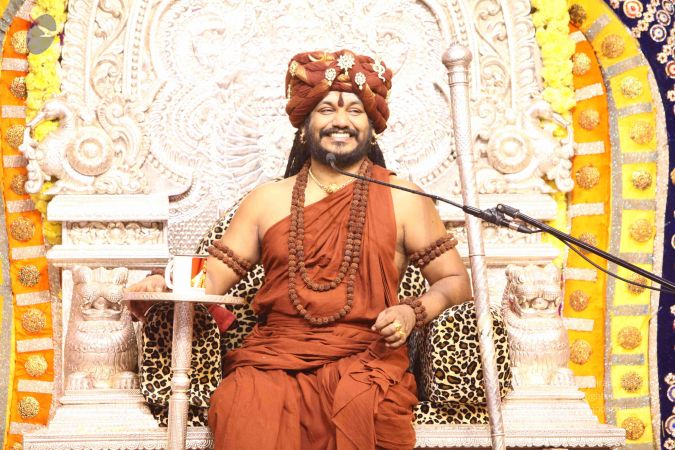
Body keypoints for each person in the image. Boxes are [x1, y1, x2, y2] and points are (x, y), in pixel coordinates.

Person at [131, 49, 471, 450]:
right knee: (243, 404)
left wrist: (413, 312)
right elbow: (215, 276)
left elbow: (455, 281)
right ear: (305, 125)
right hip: (272, 360)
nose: (341, 121)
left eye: (355, 110)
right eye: (326, 109)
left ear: (371, 126)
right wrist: (165, 283)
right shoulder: (267, 200)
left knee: (364, 406)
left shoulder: (405, 198)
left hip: (366, 359)